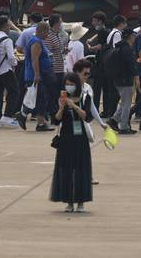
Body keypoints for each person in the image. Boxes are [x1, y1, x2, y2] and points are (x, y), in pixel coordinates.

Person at [50, 72, 95, 212]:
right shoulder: (62, 99)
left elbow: (87, 116)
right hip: (66, 137)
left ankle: (81, 202)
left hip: (80, 138)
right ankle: (69, 202)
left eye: (71, 84)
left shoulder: (85, 97)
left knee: (81, 169)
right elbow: (56, 120)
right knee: (66, 169)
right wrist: (62, 107)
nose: (69, 87)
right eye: (67, 85)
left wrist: (74, 106)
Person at [22, 21, 57, 132]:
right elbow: (35, 59)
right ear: (41, 31)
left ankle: (23, 114)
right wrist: (37, 74)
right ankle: (40, 123)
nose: (47, 35)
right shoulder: (36, 42)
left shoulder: (38, 41)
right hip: (35, 75)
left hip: (38, 75)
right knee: (40, 99)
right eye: (47, 32)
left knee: (37, 98)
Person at [107, 28, 140, 135]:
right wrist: (136, 78)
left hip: (118, 79)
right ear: (130, 36)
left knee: (124, 102)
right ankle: (124, 127)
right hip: (126, 80)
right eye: (133, 35)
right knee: (127, 104)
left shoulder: (118, 47)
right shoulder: (127, 49)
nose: (135, 37)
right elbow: (132, 65)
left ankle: (114, 120)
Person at [86, 11, 110, 114]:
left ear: (100, 21)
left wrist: (91, 48)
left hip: (101, 64)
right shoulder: (107, 31)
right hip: (106, 63)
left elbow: (100, 46)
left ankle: (94, 109)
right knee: (106, 89)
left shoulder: (102, 32)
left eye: (94, 20)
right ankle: (106, 110)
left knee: (96, 88)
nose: (93, 22)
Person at [44, 13, 67, 86]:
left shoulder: (57, 34)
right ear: (56, 23)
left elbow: (57, 49)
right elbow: (47, 53)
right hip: (54, 70)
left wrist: (63, 50)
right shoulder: (49, 36)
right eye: (60, 22)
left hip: (60, 69)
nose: (61, 24)